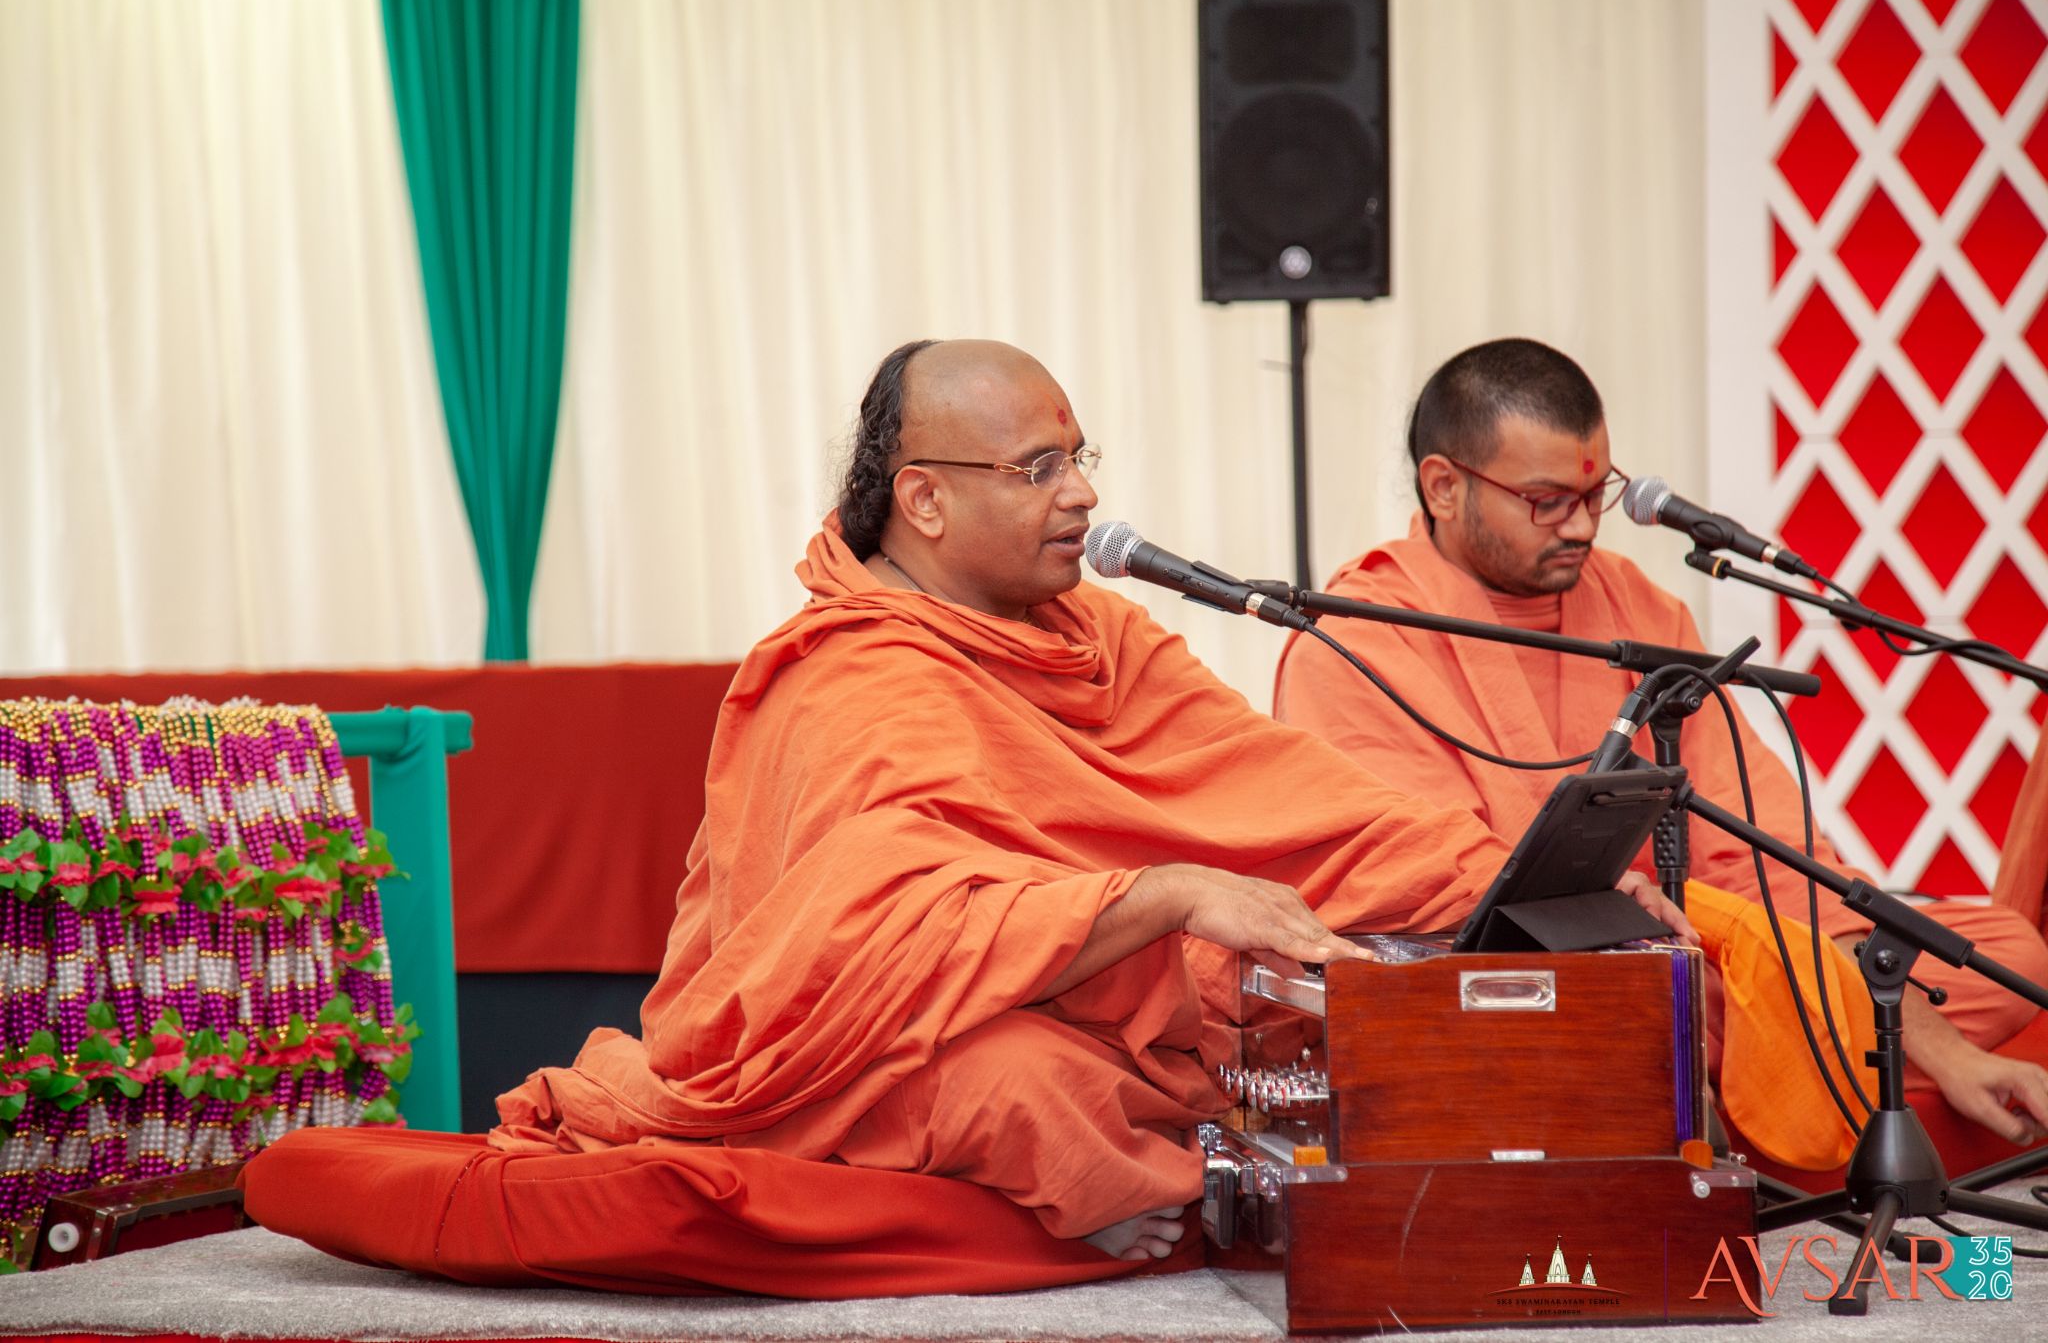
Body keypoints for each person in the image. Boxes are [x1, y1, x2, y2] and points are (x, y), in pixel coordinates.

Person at [242, 338, 1693, 1294]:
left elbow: (1291, 800)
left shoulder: (1104, 637)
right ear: (924, 502)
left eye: (1081, 457)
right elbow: (866, 943)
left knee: (1304, 1017)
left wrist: (1506, 881)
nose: (1083, 495)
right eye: (1040, 470)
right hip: (853, 1042)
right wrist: (1160, 896)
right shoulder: (845, 670)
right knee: (1020, 1087)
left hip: (1091, 997)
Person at [1274, 337, 2048, 1160]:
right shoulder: (1356, 639)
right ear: (1443, 485)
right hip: (1514, 991)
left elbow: (1764, 855)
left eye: (1595, 493)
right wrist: (1620, 922)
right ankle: (1740, 1057)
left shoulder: (1640, 610)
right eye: (1546, 501)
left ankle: (1728, 1054)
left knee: (2003, 952)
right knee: (1587, 1001)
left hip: (1688, 965)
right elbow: (1414, 886)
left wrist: (1939, 1043)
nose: (1581, 525)